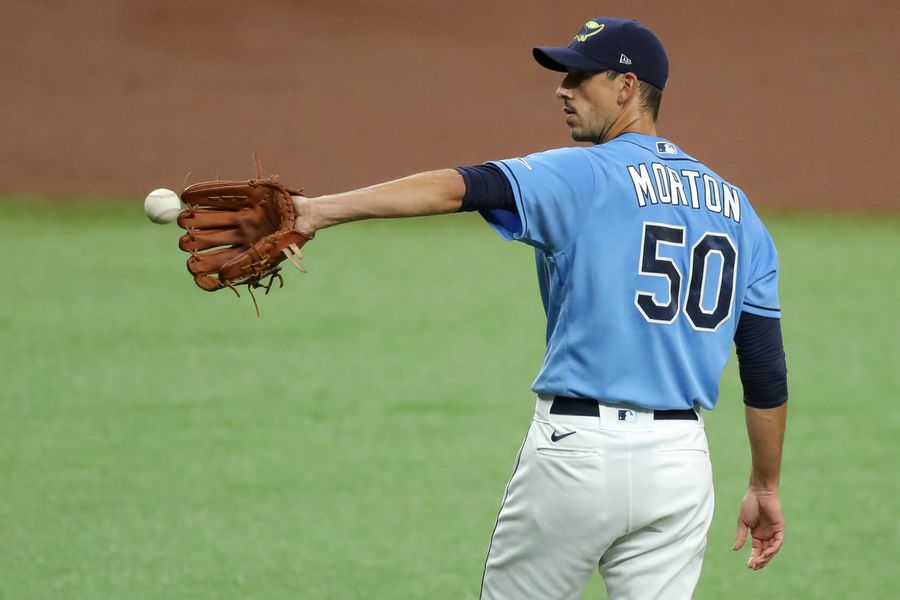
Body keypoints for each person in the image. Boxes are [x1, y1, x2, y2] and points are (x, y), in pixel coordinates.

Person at [291, 17, 787, 600]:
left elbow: (460, 187)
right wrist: (765, 482)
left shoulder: (585, 173)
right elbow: (764, 368)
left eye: (579, 76)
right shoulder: (738, 210)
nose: (563, 88)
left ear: (627, 87)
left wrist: (318, 211)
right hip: (679, 467)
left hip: (577, 454)